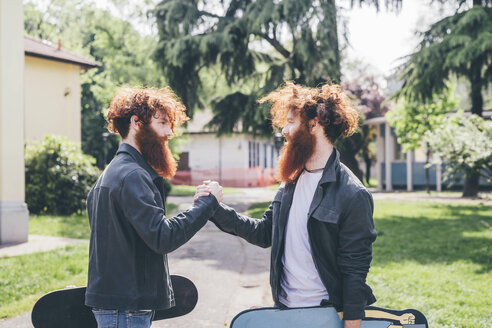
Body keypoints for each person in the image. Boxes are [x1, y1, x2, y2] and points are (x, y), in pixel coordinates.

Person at [196, 82, 377, 328]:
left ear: (314, 124)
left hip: (325, 315)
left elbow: (355, 270)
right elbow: (263, 233)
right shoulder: (291, 183)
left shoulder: (352, 194)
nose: (284, 131)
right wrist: (215, 208)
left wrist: (352, 324)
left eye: (291, 122)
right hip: (284, 310)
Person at [85, 87, 223, 328]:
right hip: (126, 310)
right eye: (162, 123)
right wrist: (207, 204)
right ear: (136, 122)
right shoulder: (132, 175)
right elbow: (162, 237)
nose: (170, 132)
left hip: (120, 306)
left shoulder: (111, 173)